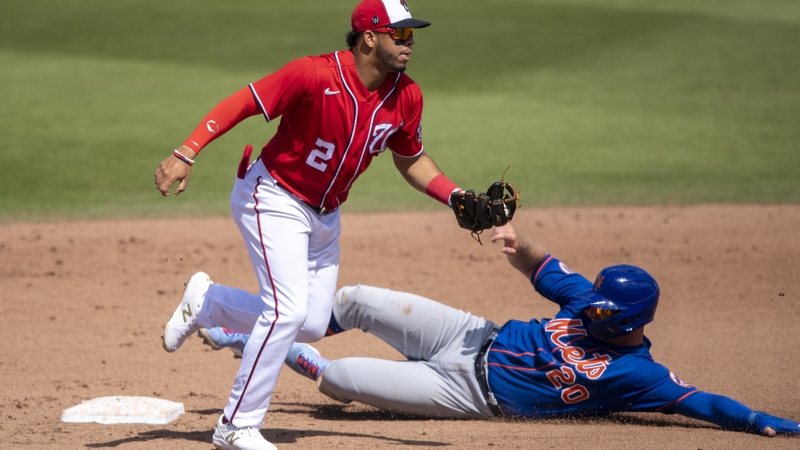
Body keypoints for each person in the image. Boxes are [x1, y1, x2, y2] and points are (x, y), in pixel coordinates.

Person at [153, 2, 475, 449]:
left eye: (411, 35)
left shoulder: (407, 95)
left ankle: (208, 303)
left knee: (308, 324)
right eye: (399, 35)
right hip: (272, 195)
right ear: (369, 37)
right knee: (286, 311)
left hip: (325, 215)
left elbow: (411, 158)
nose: (409, 43)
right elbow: (245, 102)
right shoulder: (313, 75)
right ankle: (235, 425)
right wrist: (187, 152)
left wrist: (455, 196)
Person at [199, 223, 800, 438]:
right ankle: (264, 329)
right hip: (465, 335)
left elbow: (701, 401)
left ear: (630, 322)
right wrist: (516, 241)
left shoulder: (638, 376)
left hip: (466, 398)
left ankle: (262, 348)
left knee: (341, 382)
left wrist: (759, 421)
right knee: (353, 299)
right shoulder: (588, 297)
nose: (588, 311)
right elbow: (543, 265)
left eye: (600, 314)